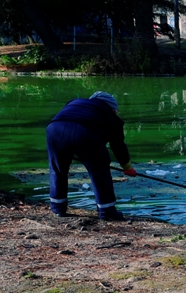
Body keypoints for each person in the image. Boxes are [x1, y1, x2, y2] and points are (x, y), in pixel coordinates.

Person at [46, 90, 137, 221]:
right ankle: (107, 211)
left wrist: (68, 151)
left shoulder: (75, 102)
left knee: (57, 169)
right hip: (85, 133)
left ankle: (58, 208)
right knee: (99, 171)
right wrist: (127, 167)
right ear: (112, 108)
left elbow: (69, 123)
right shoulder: (110, 115)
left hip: (54, 129)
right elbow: (118, 146)